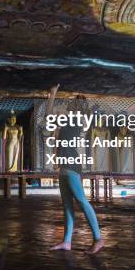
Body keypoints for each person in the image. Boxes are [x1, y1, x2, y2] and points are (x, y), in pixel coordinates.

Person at [47, 86, 104, 254]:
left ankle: (98, 238)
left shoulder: (77, 119)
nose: (71, 102)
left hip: (72, 164)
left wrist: (53, 95)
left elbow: (49, 116)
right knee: (67, 205)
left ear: (79, 107)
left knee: (81, 200)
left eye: (74, 101)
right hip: (64, 164)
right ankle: (66, 241)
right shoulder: (70, 118)